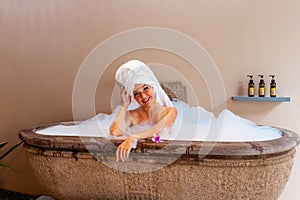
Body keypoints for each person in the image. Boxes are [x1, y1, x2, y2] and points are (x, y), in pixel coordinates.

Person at [110, 60, 178, 162]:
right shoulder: (133, 115)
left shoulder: (170, 112)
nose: (143, 96)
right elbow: (114, 132)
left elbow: (159, 130)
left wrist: (133, 138)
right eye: (136, 93)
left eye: (145, 88)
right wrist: (124, 105)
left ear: (153, 87)